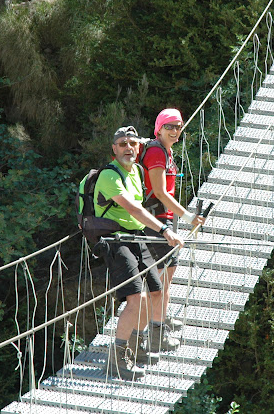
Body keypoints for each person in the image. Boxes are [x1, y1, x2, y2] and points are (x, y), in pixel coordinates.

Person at [95, 125, 184, 381]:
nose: (127, 148)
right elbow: (135, 209)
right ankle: (118, 358)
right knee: (137, 299)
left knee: (155, 292)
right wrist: (166, 230)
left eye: (132, 144)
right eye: (122, 144)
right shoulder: (109, 176)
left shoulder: (136, 171)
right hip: (115, 240)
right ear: (114, 149)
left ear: (138, 148)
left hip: (136, 237)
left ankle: (137, 346)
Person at [139, 109, 204, 335]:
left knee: (166, 275)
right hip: (156, 221)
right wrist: (189, 218)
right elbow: (160, 192)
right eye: (170, 126)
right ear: (159, 128)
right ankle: (156, 331)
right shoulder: (157, 153)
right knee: (162, 278)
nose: (175, 130)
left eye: (178, 126)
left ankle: (160, 319)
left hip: (162, 219)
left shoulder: (165, 151)